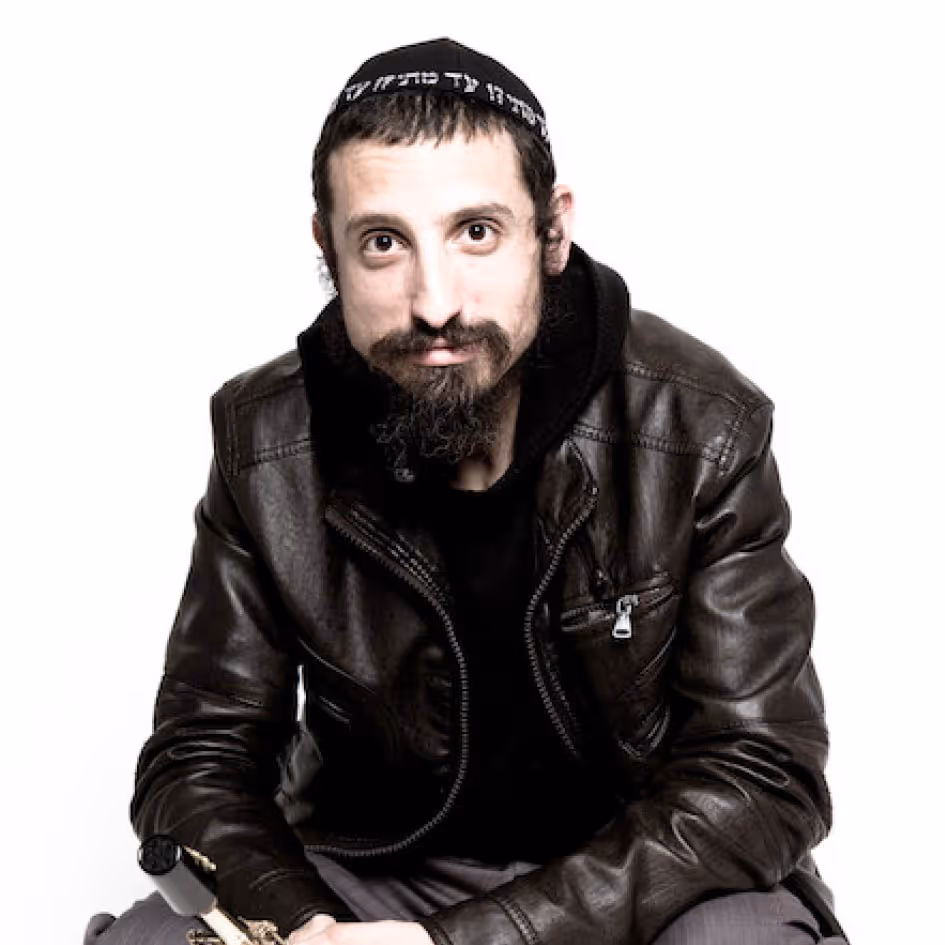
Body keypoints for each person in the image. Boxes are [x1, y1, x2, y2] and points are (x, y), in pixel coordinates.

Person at [85, 37, 848, 945]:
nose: (434, 302)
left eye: (475, 232)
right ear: (327, 247)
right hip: (377, 871)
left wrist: (470, 941)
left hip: (651, 876)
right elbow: (199, 758)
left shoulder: (696, 424)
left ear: (551, 232)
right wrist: (307, 927)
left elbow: (761, 773)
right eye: (383, 243)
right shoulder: (265, 442)